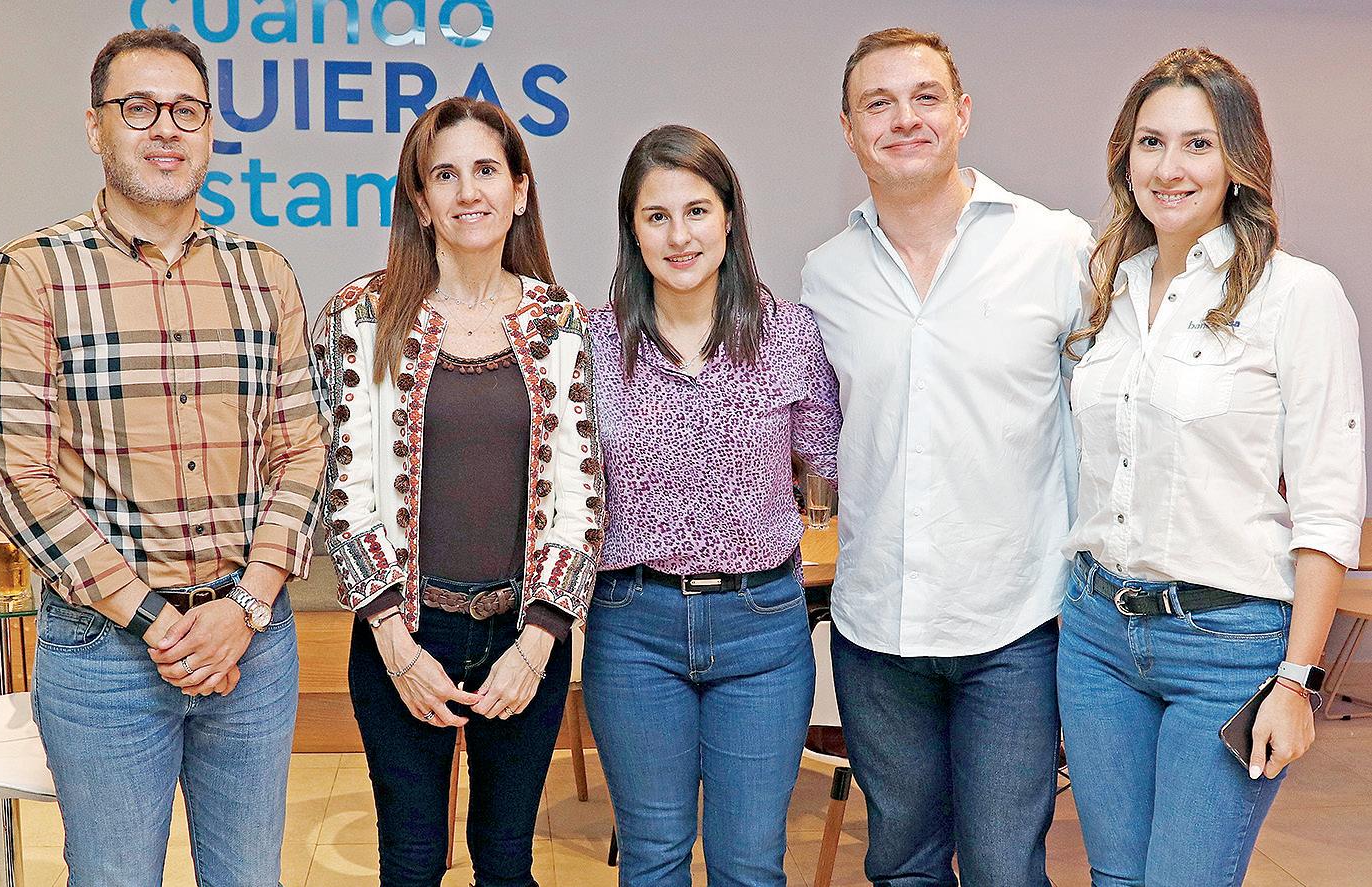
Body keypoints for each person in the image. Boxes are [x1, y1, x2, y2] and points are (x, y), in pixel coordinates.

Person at [0, 27, 326, 886]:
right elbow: (16, 474)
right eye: (139, 107)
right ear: (96, 126)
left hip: (252, 644)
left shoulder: (264, 274)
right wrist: (156, 620)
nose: (166, 127)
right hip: (105, 653)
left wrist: (246, 603)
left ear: (210, 131)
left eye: (187, 110)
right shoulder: (31, 273)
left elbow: (303, 448)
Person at [1058, 47, 1365, 886]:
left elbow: (1327, 504)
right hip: (1095, 635)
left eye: (1198, 144)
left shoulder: (1296, 296)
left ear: (1238, 160)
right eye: (1150, 142)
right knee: (1116, 878)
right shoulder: (1106, 289)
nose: (1171, 167)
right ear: (1125, 156)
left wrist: (1297, 681)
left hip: (1226, 647)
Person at [800, 27, 1094, 887]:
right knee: (900, 865)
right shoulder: (826, 275)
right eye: (878, 103)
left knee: (1004, 868)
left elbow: (1107, 427)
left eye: (924, 97)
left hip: (1014, 626)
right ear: (847, 129)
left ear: (962, 113)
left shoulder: (1055, 248)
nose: (904, 119)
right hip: (874, 629)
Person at [315, 96, 603, 887]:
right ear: (419, 199)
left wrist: (537, 643)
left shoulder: (558, 320)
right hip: (401, 636)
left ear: (519, 188)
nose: (467, 191)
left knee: (507, 863)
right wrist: (395, 643)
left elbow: (582, 494)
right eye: (444, 175)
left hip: (524, 636)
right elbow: (342, 491)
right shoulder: (360, 316)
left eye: (485, 170)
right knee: (410, 864)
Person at [582, 124, 841, 887]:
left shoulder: (789, 334)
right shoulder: (593, 343)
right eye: (656, 216)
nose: (679, 235)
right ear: (632, 229)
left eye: (696, 210)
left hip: (761, 628)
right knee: (653, 856)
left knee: (749, 864)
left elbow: (831, 466)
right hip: (634, 625)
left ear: (729, 216)